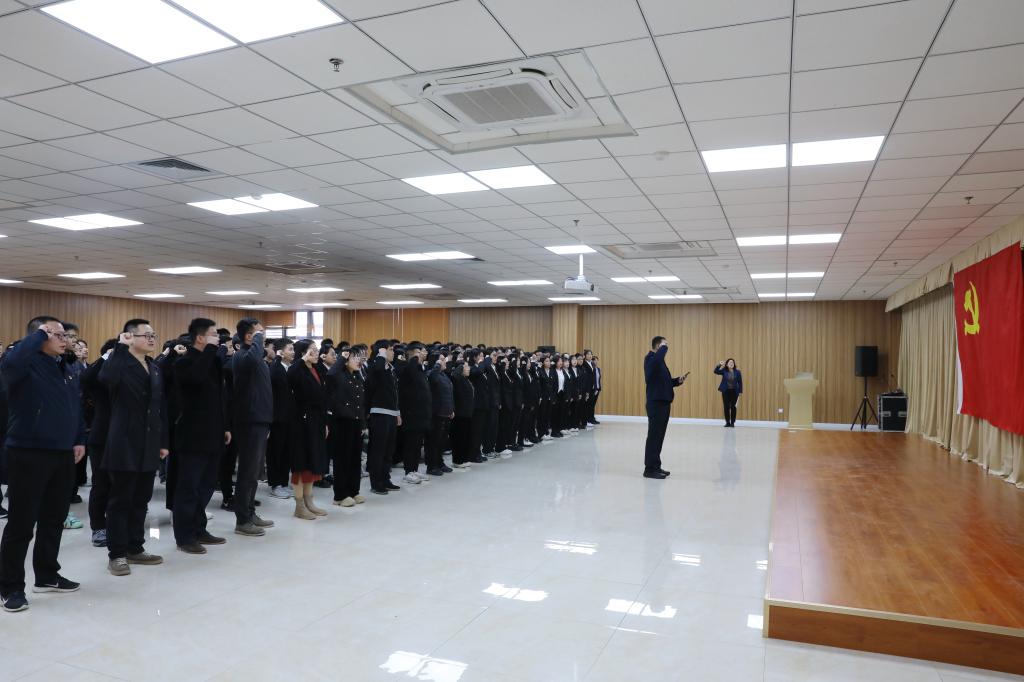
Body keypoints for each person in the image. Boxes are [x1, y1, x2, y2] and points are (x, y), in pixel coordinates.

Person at [0, 317, 85, 613]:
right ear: (38, 336)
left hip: (62, 453)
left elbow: (75, 406)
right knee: (22, 523)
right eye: (57, 335)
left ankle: (47, 575)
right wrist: (37, 336)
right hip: (28, 451)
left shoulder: (66, 366)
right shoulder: (22, 362)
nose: (65, 340)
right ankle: (10, 586)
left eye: (66, 335)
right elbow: (11, 362)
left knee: (53, 518)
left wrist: (79, 438)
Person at [99, 320, 169, 576]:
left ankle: (135, 547)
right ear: (129, 336)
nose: (151, 339)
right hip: (124, 442)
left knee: (141, 500)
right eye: (146, 335)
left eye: (153, 335)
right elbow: (106, 378)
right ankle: (117, 554)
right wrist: (120, 348)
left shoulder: (154, 367)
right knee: (121, 501)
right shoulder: (119, 363)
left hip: (149, 443)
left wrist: (163, 442)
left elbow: (160, 408)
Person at [172, 319, 231, 554]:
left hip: (213, 432)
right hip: (192, 435)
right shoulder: (183, 362)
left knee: (206, 486)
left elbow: (219, 397)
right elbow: (195, 379)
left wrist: (225, 426)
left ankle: (199, 528)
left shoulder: (213, 360)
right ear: (200, 338)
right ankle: (184, 536)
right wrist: (210, 352)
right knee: (189, 488)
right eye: (214, 334)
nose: (218, 338)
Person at [230, 318, 275, 536]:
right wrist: (257, 339)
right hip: (249, 421)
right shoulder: (242, 356)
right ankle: (242, 520)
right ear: (249, 336)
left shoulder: (256, 357)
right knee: (247, 472)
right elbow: (253, 357)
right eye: (259, 333)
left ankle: (250, 512)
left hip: (261, 419)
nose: (263, 337)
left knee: (254, 472)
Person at [286, 340, 330, 519]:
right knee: (301, 463)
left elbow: (323, 397)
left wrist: (325, 423)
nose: (316, 353)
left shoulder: (317, 369)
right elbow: (290, 378)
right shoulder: (297, 369)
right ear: (303, 352)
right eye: (312, 350)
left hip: (316, 420)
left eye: (316, 350)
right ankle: (299, 506)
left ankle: (309, 501)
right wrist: (303, 360)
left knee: (313, 461)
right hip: (300, 422)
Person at [80, 339, 116, 547]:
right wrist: (106, 356)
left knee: (121, 485)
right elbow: (86, 378)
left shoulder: (128, 374)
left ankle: (118, 525)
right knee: (101, 484)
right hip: (102, 437)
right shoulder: (98, 376)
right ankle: (98, 527)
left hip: (126, 438)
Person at [325, 348, 366, 507]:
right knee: (342, 459)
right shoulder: (338, 375)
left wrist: (363, 423)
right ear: (346, 359)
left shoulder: (357, 376)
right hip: (341, 422)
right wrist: (342, 358)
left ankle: (354, 491)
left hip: (356, 421)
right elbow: (330, 374)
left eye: (359, 358)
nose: (358, 361)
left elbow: (361, 402)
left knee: (355, 459)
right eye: (355, 358)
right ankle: (340, 495)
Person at [643, 336, 686, 480]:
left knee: (659, 437)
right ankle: (649, 469)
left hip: (664, 403)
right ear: (657, 346)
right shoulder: (650, 359)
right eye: (664, 345)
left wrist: (677, 381)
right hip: (656, 404)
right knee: (654, 437)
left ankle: (656, 466)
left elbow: (664, 382)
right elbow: (656, 362)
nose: (666, 347)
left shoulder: (659, 361)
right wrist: (664, 348)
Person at [365, 340, 401, 495]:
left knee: (388, 450)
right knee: (378, 450)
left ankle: (385, 479)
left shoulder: (391, 369)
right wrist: (380, 355)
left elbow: (395, 393)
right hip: (379, 413)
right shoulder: (376, 366)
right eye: (390, 349)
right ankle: (376, 483)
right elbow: (377, 373)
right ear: (382, 351)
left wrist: (397, 412)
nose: (393, 353)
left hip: (391, 414)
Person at [397, 342, 431, 484]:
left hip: (421, 412)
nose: (424, 353)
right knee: (410, 443)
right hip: (411, 412)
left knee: (417, 443)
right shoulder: (406, 367)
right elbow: (410, 373)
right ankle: (408, 471)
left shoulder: (420, 368)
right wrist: (414, 358)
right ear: (413, 352)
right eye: (421, 351)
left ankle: (415, 469)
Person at [267, 338, 295, 500]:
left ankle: (283, 481)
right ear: (281, 352)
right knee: (276, 452)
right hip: (277, 418)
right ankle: (275, 484)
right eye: (290, 349)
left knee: (286, 451)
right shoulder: (275, 368)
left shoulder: (291, 368)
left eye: (293, 349)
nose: (293, 352)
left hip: (290, 417)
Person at [425, 351, 454, 477]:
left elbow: (449, 393)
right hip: (436, 413)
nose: (444, 361)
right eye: (441, 359)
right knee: (433, 441)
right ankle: (432, 466)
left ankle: (440, 462)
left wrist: (451, 409)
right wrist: (437, 365)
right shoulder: (431, 373)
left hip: (446, 412)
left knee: (441, 441)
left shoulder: (443, 375)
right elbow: (433, 379)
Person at [449, 361, 475, 469]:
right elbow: (454, 375)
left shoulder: (466, 379)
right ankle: (458, 460)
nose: (469, 368)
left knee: (466, 437)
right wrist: (460, 366)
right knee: (459, 438)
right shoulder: (457, 379)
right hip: (460, 414)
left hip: (467, 413)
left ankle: (464, 458)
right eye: (466, 366)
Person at [714, 359, 743, 427]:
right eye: (729, 362)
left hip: (734, 392)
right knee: (726, 407)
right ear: (727, 364)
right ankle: (727, 422)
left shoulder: (738, 372)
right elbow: (716, 371)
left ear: (734, 364)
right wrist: (719, 365)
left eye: (732, 362)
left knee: (733, 407)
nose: (731, 363)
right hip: (726, 391)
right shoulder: (724, 370)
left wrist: (740, 391)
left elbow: (740, 382)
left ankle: (732, 422)